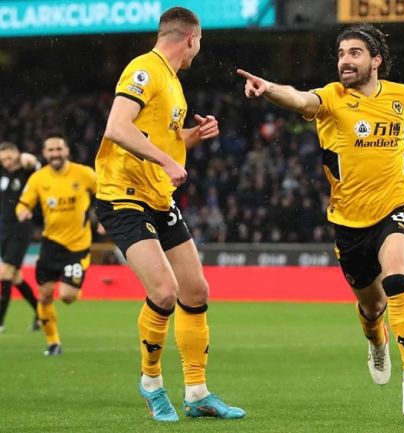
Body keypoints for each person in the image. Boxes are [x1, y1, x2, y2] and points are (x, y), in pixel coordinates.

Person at [237, 23, 404, 416]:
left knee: (395, 277)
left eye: (354, 53)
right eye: (340, 54)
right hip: (349, 223)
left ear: (376, 61)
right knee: (372, 308)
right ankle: (377, 341)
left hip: (397, 209)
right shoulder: (332, 97)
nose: (345, 61)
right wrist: (268, 88)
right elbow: (301, 100)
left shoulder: (400, 96)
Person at [95, 7, 244, 422]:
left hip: (159, 198)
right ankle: (151, 383)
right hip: (123, 195)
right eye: (200, 44)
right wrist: (167, 160)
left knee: (195, 291)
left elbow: (161, 137)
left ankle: (197, 393)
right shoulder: (145, 69)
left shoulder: (173, 84)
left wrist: (189, 139)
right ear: (191, 38)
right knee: (163, 291)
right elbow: (117, 127)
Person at [15, 134, 95, 356]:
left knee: (68, 297)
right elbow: (23, 203)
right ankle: (53, 343)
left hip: (77, 247)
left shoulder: (85, 174)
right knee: (44, 296)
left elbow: (107, 194)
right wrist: (22, 211)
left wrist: (106, 220)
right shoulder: (38, 179)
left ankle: (74, 284)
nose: (55, 154)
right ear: (44, 153)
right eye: (50, 150)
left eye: (59, 149)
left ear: (67, 151)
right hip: (50, 244)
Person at [0, 142, 40, 333]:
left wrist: (29, 158)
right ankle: (41, 315)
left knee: (5, 273)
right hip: (4, 230)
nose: (7, 162)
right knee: (15, 277)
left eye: (9, 158)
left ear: (16, 154)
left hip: (20, 230)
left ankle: (0, 321)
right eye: (3, 159)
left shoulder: (26, 172)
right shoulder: (4, 175)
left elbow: (33, 164)